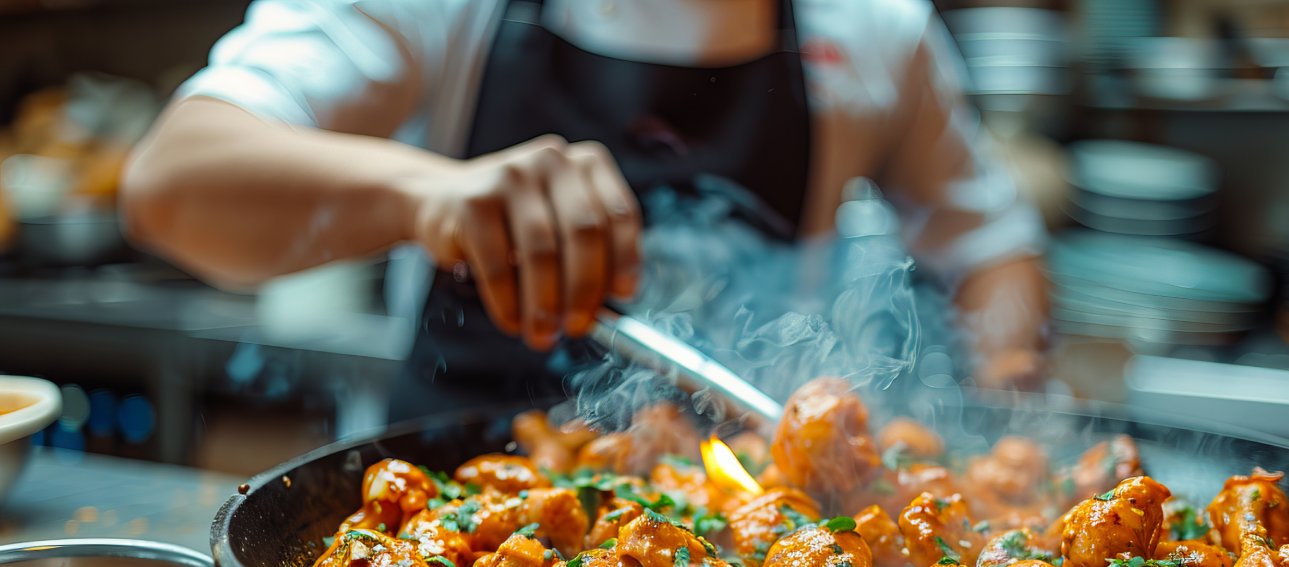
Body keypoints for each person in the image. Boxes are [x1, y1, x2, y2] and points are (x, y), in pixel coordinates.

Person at [121, 0, 1050, 418]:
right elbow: (172, 183)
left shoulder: (875, 26)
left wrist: (1005, 413)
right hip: (452, 508)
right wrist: (427, 193)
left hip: (745, 521)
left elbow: (994, 252)